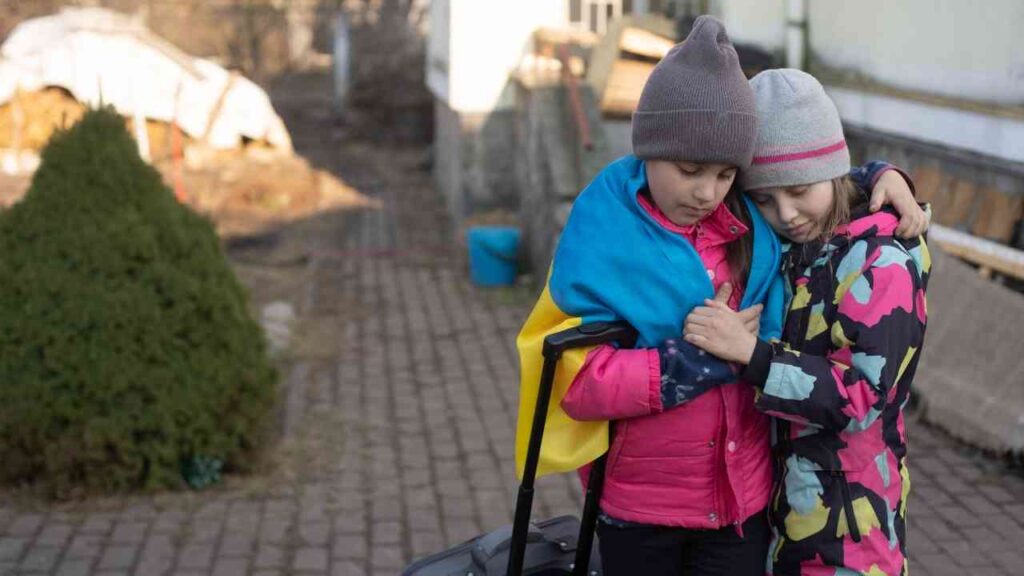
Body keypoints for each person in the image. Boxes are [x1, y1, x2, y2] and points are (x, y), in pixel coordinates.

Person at [515, 16, 926, 576]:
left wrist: (747, 354)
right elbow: (573, 377)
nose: (708, 194)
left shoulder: (816, 245)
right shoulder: (636, 236)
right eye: (690, 171)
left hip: (806, 512)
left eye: (727, 176)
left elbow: (861, 397)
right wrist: (685, 367)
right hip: (675, 507)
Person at [682, 68, 930, 576]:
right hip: (782, 512)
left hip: (851, 531)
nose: (787, 214)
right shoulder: (802, 245)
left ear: (834, 171)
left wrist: (752, 356)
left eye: (798, 190)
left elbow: (863, 397)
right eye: (765, 200)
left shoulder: (881, 263)